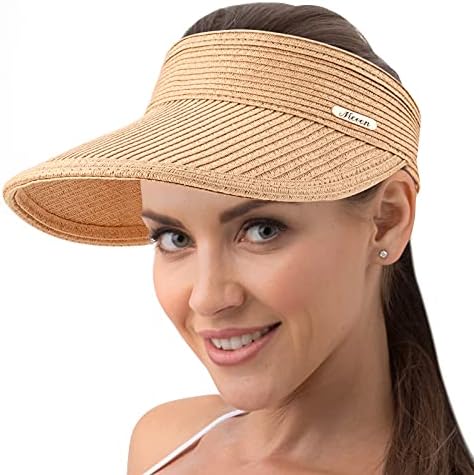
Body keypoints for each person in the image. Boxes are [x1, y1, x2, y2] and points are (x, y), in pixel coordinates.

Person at [3, 3, 474, 475]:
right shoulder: (164, 441)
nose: (207, 298)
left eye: (261, 230)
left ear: (387, 219)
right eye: (173, 238)